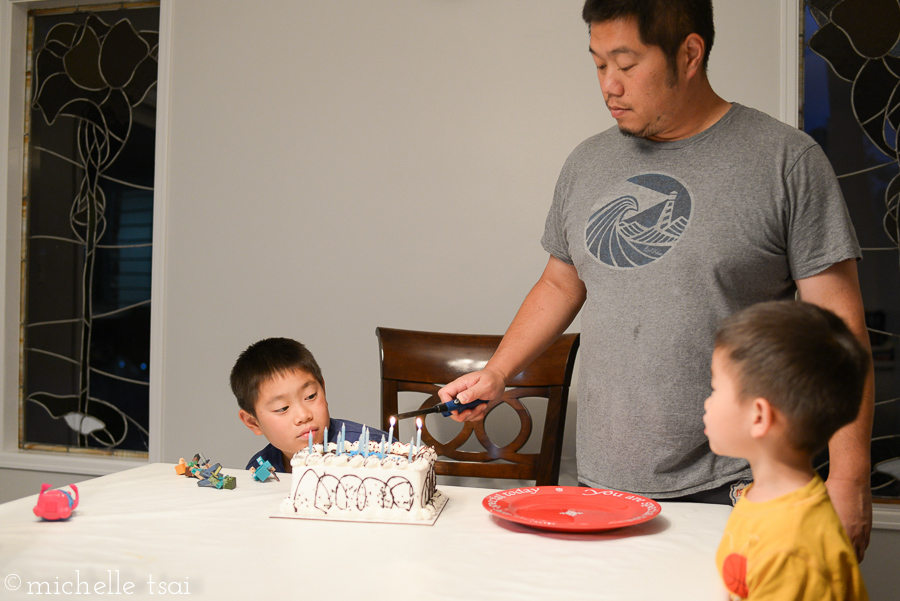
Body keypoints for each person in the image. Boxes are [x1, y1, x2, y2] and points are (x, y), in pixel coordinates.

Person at [438, 0, 874, 559]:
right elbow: (559, 283)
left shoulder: (786, 161)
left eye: (626, 63)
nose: (609, 87)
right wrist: (498, 372)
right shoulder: (587, 162)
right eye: (598, 65)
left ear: (689, 54)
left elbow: (842, 333)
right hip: (603, 483)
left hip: (743, 484)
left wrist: (849, 478)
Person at [707, 300, 869, 600]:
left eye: (715, 389)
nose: (706, 402)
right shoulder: (763, 497)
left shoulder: (792, 549)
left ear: (759, 416)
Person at [231, 337, 388, 472]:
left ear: (323, 389)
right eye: (282, 408)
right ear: (253, 422)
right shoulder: (260, 469)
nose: (303, 415)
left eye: (310, 396)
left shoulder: (375, 450)